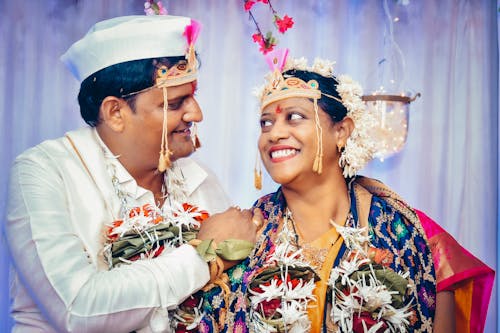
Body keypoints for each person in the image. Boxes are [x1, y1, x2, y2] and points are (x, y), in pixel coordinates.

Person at [186, 49, 493, 333]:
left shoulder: (413, 234)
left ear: (341, 131)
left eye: (294, 117)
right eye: (266, 123)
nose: (275, 133)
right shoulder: (243, 232)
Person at [5, 14, 262, 333]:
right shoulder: (45, 171)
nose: (196, 113)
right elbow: (77, 309)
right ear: (115, 112)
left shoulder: (199, 179)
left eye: (193, 97)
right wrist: (204, 256)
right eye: (176, 102)